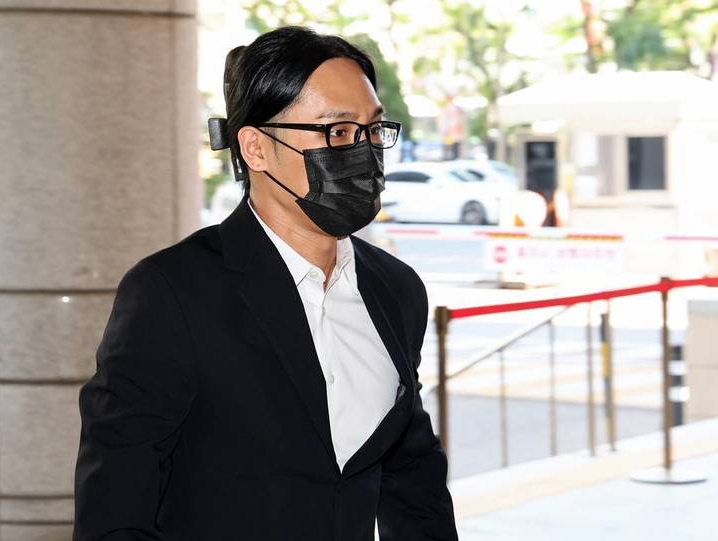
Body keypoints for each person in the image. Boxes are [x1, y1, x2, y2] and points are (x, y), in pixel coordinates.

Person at [73, 25, 458, 541]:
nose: (362, 150)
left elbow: (412, 478)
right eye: (337, 131)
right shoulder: (172, 292)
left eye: (372, 129)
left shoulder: (396, 289)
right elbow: (116, 505)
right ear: (255, 147)